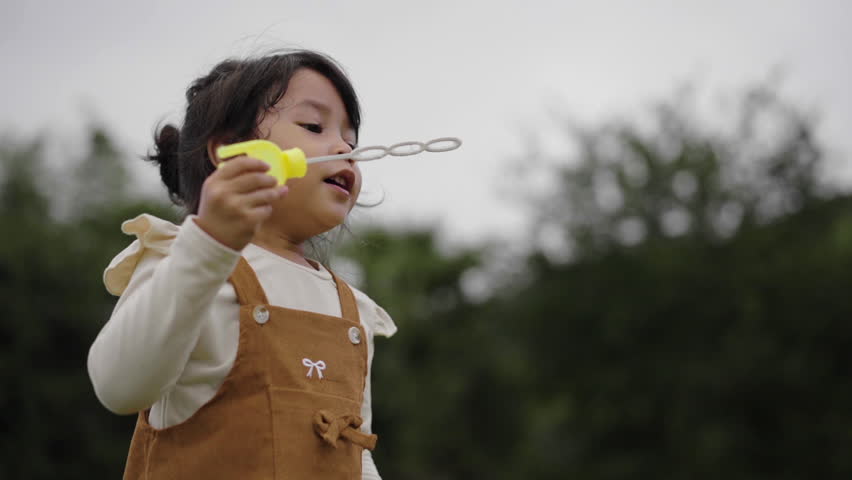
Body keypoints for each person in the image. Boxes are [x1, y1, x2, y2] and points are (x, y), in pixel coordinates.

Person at [87, 50, 397, 479]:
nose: (344, 148)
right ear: (234, 153)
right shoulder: (185, 262)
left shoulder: (352, 311)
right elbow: (118, 385)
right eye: (313, 126)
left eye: (351, 139)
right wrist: (206, 247)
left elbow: (355, 455)